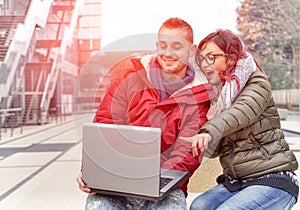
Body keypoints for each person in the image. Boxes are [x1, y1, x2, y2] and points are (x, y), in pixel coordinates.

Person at [76, 17, 216, 209]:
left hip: (166, 190)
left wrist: (152, 181)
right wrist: (91, 172)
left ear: (191, 50)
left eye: (176, 46)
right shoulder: (129, 79)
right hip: (117, 183)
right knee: (99, 206)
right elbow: (104, 127)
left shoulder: (199, 98)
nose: (168, 53)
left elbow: (187, 155)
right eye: (163, 45)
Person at [190, 29, 299, 210]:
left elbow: (241, 112)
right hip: (238, 182)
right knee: (199, 206)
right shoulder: (219, 96)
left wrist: (210, 129)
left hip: (272, 179)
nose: (205, 65)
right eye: (202, 59)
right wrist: (208, 125)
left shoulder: (257, 84)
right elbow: (214, 151)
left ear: (231, 58)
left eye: (211, 57)